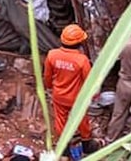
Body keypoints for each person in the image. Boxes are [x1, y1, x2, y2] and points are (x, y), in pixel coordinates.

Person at [45, 24, 93, 160]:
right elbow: (90, 81)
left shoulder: (52, 55)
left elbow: (47, 76)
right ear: (79, 42)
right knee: (82, 120)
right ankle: (87, 144)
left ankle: (65, 150)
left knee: (61, 121)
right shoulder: (82, 60)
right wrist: (94, 95)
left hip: (59, 95)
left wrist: (49, 87)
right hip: (77, 98)